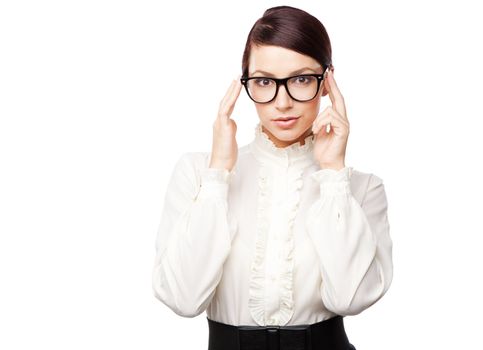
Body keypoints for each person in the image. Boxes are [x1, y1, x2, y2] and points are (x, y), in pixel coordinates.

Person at [152, 5, 393, 350]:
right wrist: (218, 174)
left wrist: (333, 176)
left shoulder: (360, 188)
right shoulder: (198, 174)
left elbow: (349, 300)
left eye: (301, 79)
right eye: (264, 82)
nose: (282, 102)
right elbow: (183, 298)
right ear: (245, 82)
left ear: (327, 82)